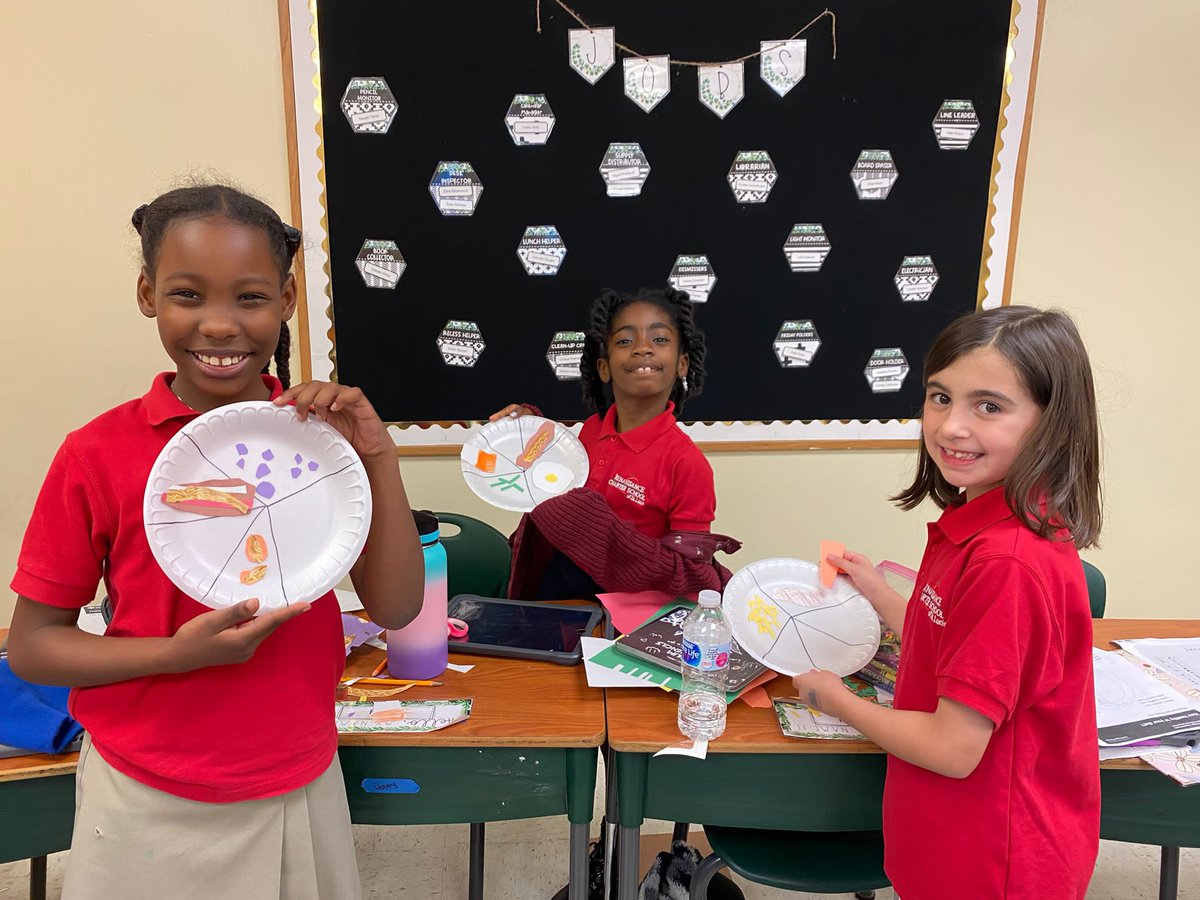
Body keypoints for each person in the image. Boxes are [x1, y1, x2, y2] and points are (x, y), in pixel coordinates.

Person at [6, 184, 424, 900]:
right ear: (147, 294)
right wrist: (180, 654)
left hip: (296, 778)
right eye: (189, 295)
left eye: (251, 298)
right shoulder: (96, 454)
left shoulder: (321, 447)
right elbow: (32, 646)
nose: (221, 325)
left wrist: (377, 455)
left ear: (288, 299)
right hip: (144, 795)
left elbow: (395, 604)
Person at [792, 305, 1102, 899]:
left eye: (988, 406)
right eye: (940, 397)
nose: (951, 426)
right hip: (951, 832)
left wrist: (831, 698)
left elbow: (955, 748)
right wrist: (885, 598)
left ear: (1051, 423)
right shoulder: (973, 521)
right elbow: (955, 648)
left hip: (992, 860)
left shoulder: (1007, 562)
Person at [497, 286, 739, 602]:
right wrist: (528, 430)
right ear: (604, 368)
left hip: (626, 614)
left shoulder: (687, 463)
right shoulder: (589, 432)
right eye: (625, 341)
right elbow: (546, 481)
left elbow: (691, 575)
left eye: (660, 339)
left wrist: (598, 524)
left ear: (682, 364)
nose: (643, 348)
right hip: (559, 595)